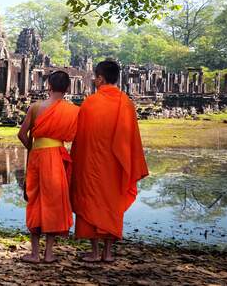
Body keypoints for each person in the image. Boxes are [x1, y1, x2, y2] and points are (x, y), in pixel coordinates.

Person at [70, 60, 149, 262]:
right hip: (116, 166)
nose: (94, 80)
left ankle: (95, 252)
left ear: (101, 78)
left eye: (95, 77)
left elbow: (81, 138)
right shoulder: (126, 103)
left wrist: (76, 162)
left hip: (91, 164)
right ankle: (107, 253)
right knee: (111, 205)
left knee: (91, 202)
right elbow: (131, 139)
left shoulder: (90, 102)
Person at [17, 70, 80, 263]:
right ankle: (49, 253)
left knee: (35, 200)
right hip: (57, 157)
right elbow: (74, 136)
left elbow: (21, 134)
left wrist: (34, 147)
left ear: (49, 86)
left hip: (38, 156)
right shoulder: (73, 110)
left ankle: (35, 254)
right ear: (68, 88)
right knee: (53, 202)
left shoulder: (36, 107)